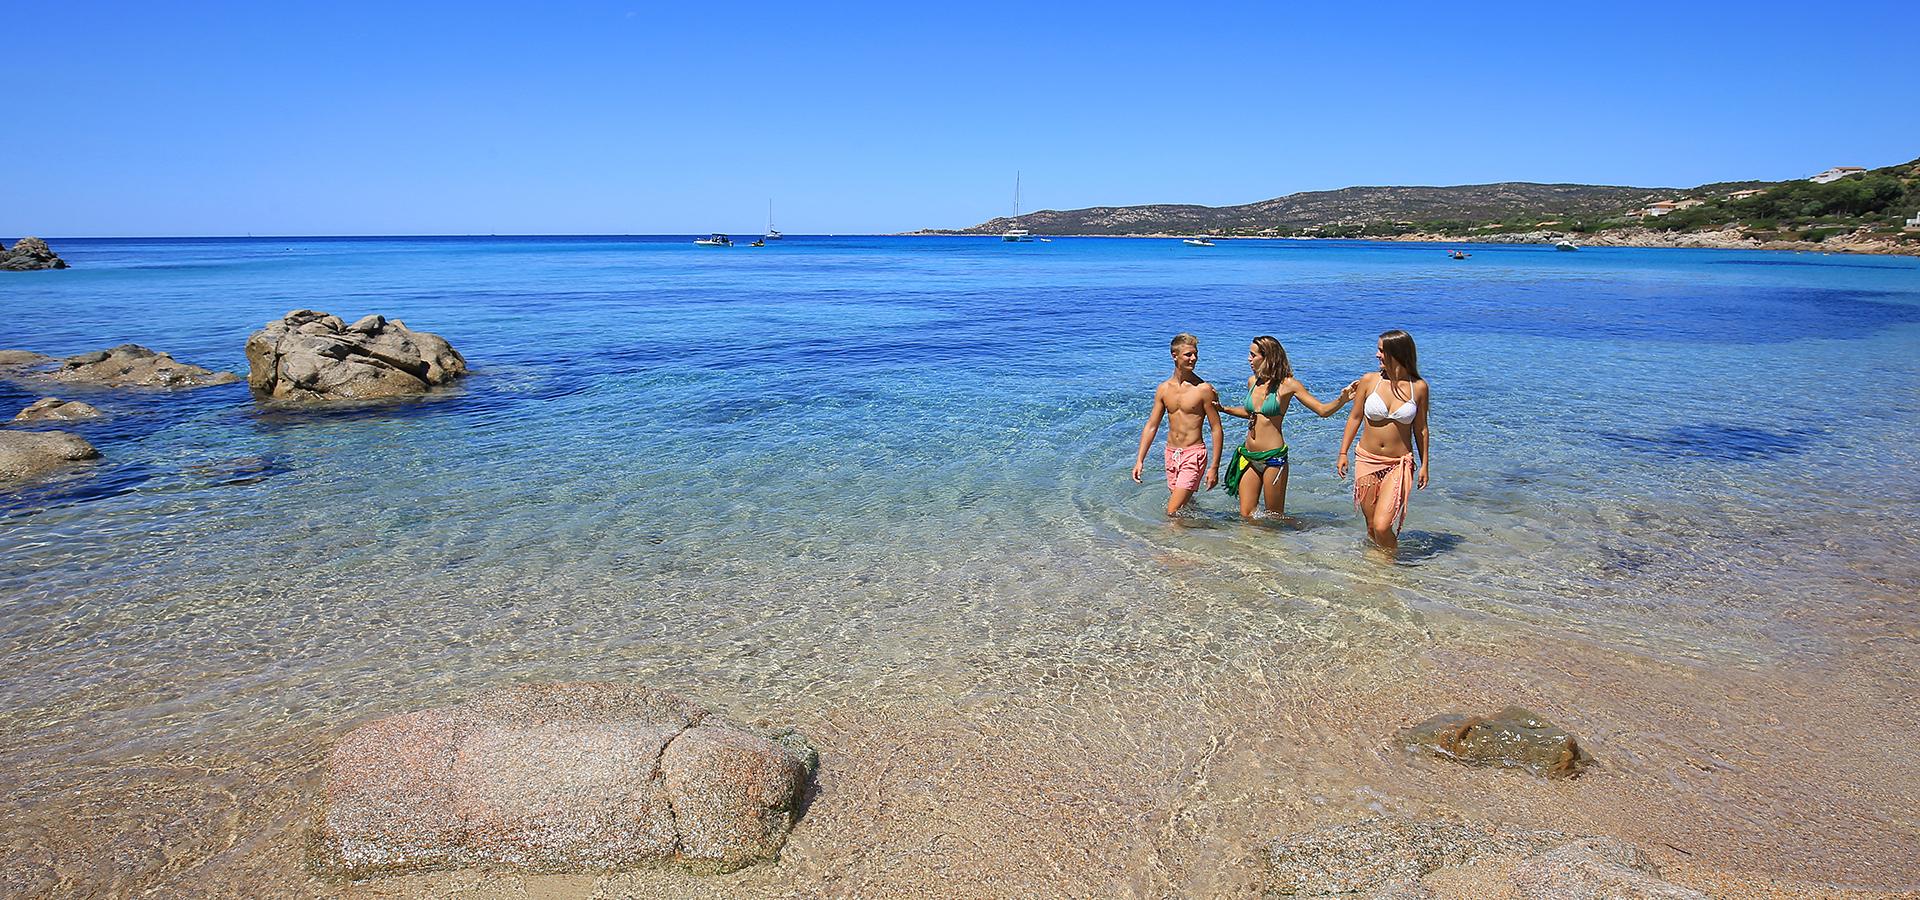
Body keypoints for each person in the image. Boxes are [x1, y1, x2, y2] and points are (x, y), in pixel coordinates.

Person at [1217, 336, 1354, 520]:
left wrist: (1342, 400)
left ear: (1268, 357)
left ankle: (1299, 532)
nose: (1249, 359)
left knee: (1274, 517)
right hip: (1248, 455)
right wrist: (1224, 409)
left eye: (1253, 355)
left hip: (1273, 458)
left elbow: (1322, 410)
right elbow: (1253, 413)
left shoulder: (1288, 385)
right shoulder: (1253, 382)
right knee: (1247, 514)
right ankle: (1252, 547)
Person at [1336, 329, 1430, 553]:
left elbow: (1421, 429)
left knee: (1382, 524)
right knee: (1371, 526)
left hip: (1398, 463)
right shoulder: (1370, 380)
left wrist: (1425, 464)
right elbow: (1355, 417)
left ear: (1396, 353)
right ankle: (1377, 572)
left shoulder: (1418, 387)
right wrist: (1343, 452)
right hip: (1367, 459)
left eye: (1381, 351)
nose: (1377, 355)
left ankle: (1388, 568)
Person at [1131, 333, 1224, 516]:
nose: (1194, 358)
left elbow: (1216, 428)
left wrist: (1214, 467)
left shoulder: (1203, 389)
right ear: (1175, 355)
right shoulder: (1163, 389)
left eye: (1195, 354)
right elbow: (1152, 425)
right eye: (1188, 354)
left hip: (1193, 454)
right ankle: (1196, 535)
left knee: (1171, 512)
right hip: (1171, 455)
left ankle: (1164, 543)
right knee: (1185, 508)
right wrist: (1140, 460)